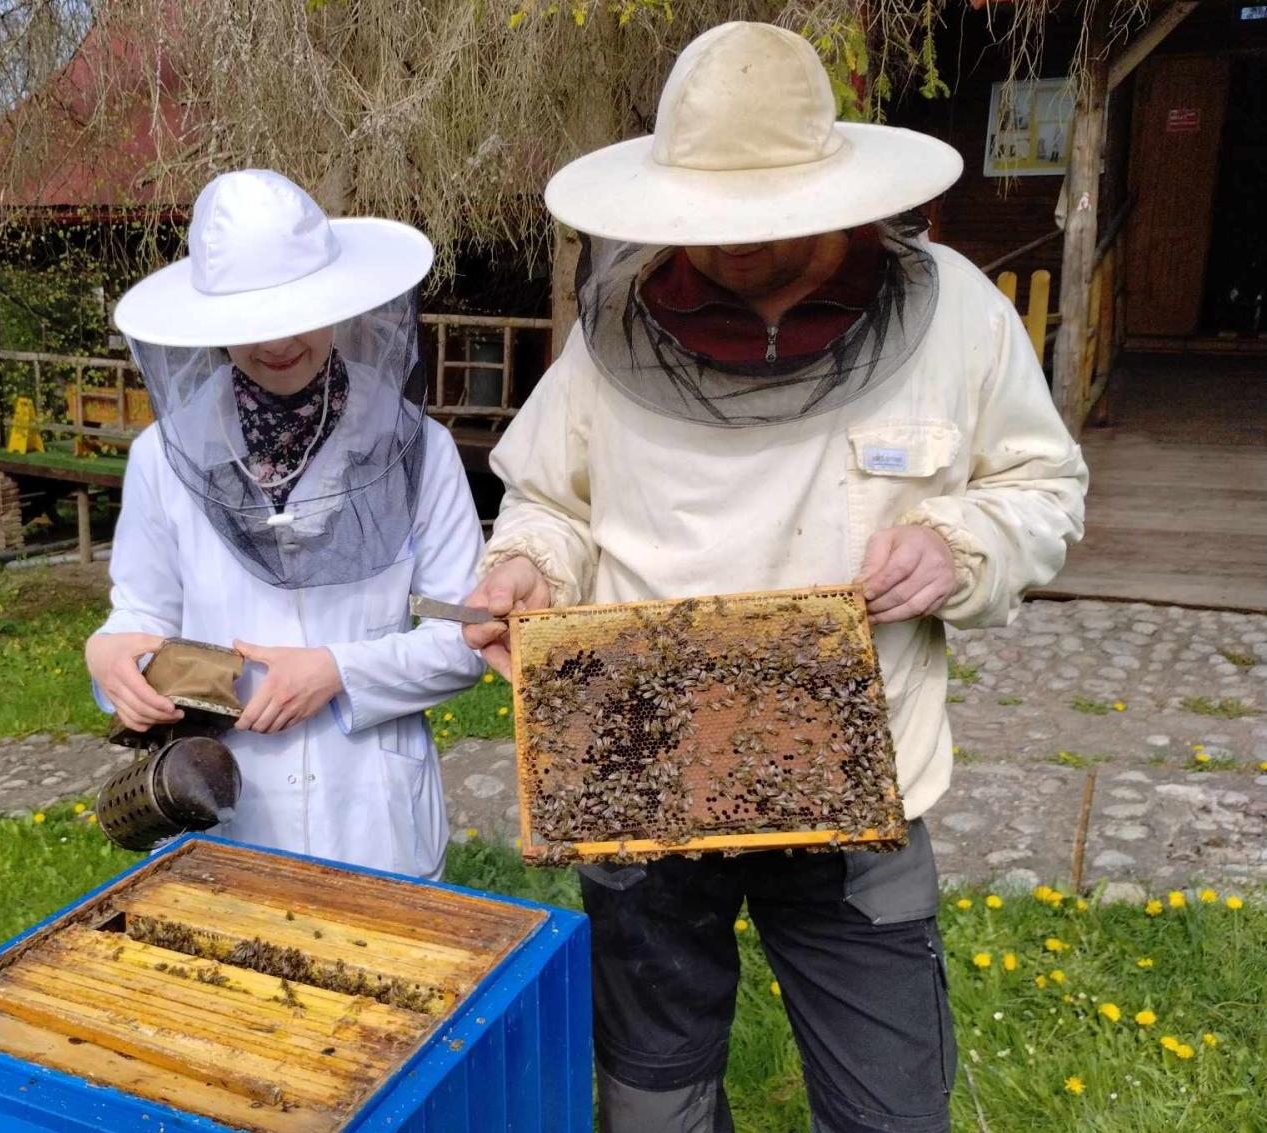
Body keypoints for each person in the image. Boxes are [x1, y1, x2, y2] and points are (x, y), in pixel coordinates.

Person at [464, 23, 1088, 1133]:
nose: (729, 247)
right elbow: (550, 498)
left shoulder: (955, 313)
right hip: (640, 780)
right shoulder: (609, 331)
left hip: (857, 791)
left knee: (890, 1110)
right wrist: (522, 563)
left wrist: (958, 543)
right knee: (649, 1106)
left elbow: (1044, 487)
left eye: (758, 222)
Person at [85, 169, 485, 880]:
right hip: (222, 804)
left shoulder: (421, 448)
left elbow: (467, 637)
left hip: (373, 815)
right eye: (250, 320)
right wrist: (108, 656)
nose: (278, 341)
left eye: (299, 310)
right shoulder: (160, 458)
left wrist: (339, 671)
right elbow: (141, 614)